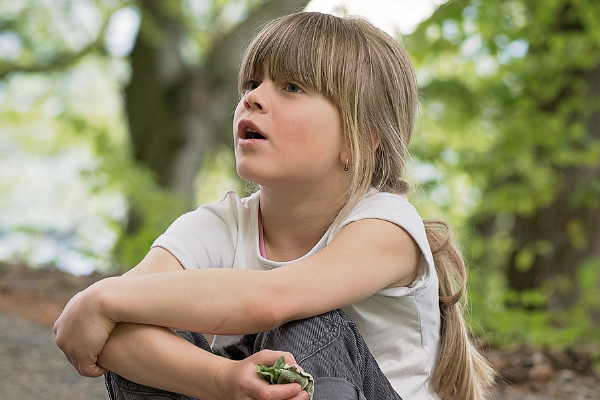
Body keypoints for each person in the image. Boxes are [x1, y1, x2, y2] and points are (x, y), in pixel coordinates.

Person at [54, 11, 495, 400]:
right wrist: (223, 378)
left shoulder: (386, 226)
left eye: (291, 86)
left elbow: (273, 300)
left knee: (302, 324)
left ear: (359, 138)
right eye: (251, 82)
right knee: (145, 317)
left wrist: (100, 297)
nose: (253, 97)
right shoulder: (219, 224)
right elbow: (114, 329)